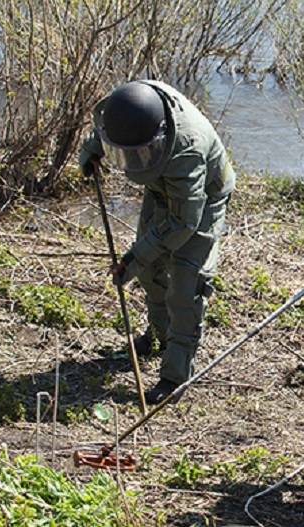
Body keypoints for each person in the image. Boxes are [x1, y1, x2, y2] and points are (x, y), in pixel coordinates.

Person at [79, 80, 235, 404]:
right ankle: (158, 336)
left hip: (203, 199)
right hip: (163, 188)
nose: (130, 161)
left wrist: (133, 258)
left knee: (185, 284)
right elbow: (108, 131)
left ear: (159, 138)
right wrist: (93, 150)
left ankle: (174, 377)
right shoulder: (126, 107)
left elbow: (183, 223)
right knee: (150, 272)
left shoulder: (188, 152)